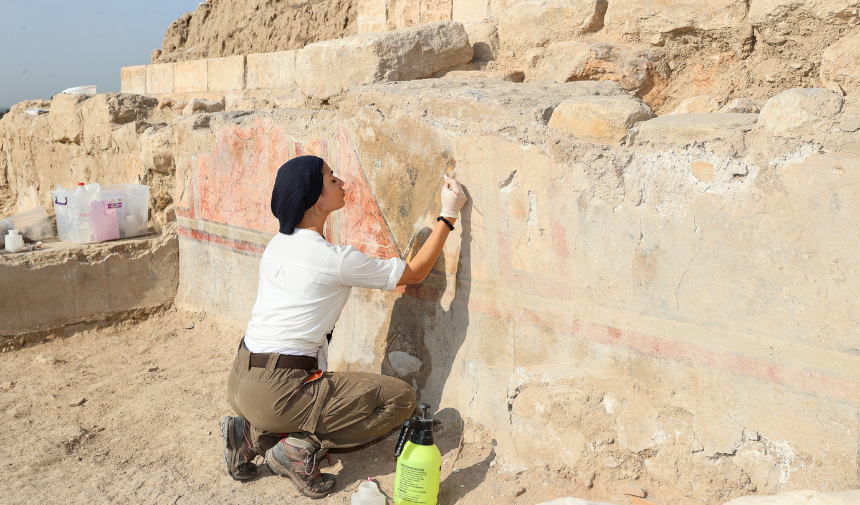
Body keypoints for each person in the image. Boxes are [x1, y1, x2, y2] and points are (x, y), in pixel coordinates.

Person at [221, 155, 468, 499]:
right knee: (401, 400)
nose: (342, 183)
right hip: (277, 391)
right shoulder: (333, 260)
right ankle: (299, 447)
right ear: (317, 201)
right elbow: (415, 273)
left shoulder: (277, 244)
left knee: (302, 398)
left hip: (241, 379)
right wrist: (450, 213)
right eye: (332, 179)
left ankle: (251, 435)